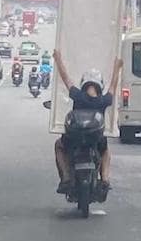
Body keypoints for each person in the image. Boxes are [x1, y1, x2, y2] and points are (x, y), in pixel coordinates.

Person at [53, 49, 123, 195]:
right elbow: (113, 87)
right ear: (99, 85)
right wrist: (117, 68)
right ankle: (105, 179)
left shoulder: (78, 96)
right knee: (106, 151)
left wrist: (58, 59)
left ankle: (66, 177)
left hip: (73, 140)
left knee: (59, 145)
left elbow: (66, 78)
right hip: (96, 141)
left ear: (84, 84)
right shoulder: (103, 100)